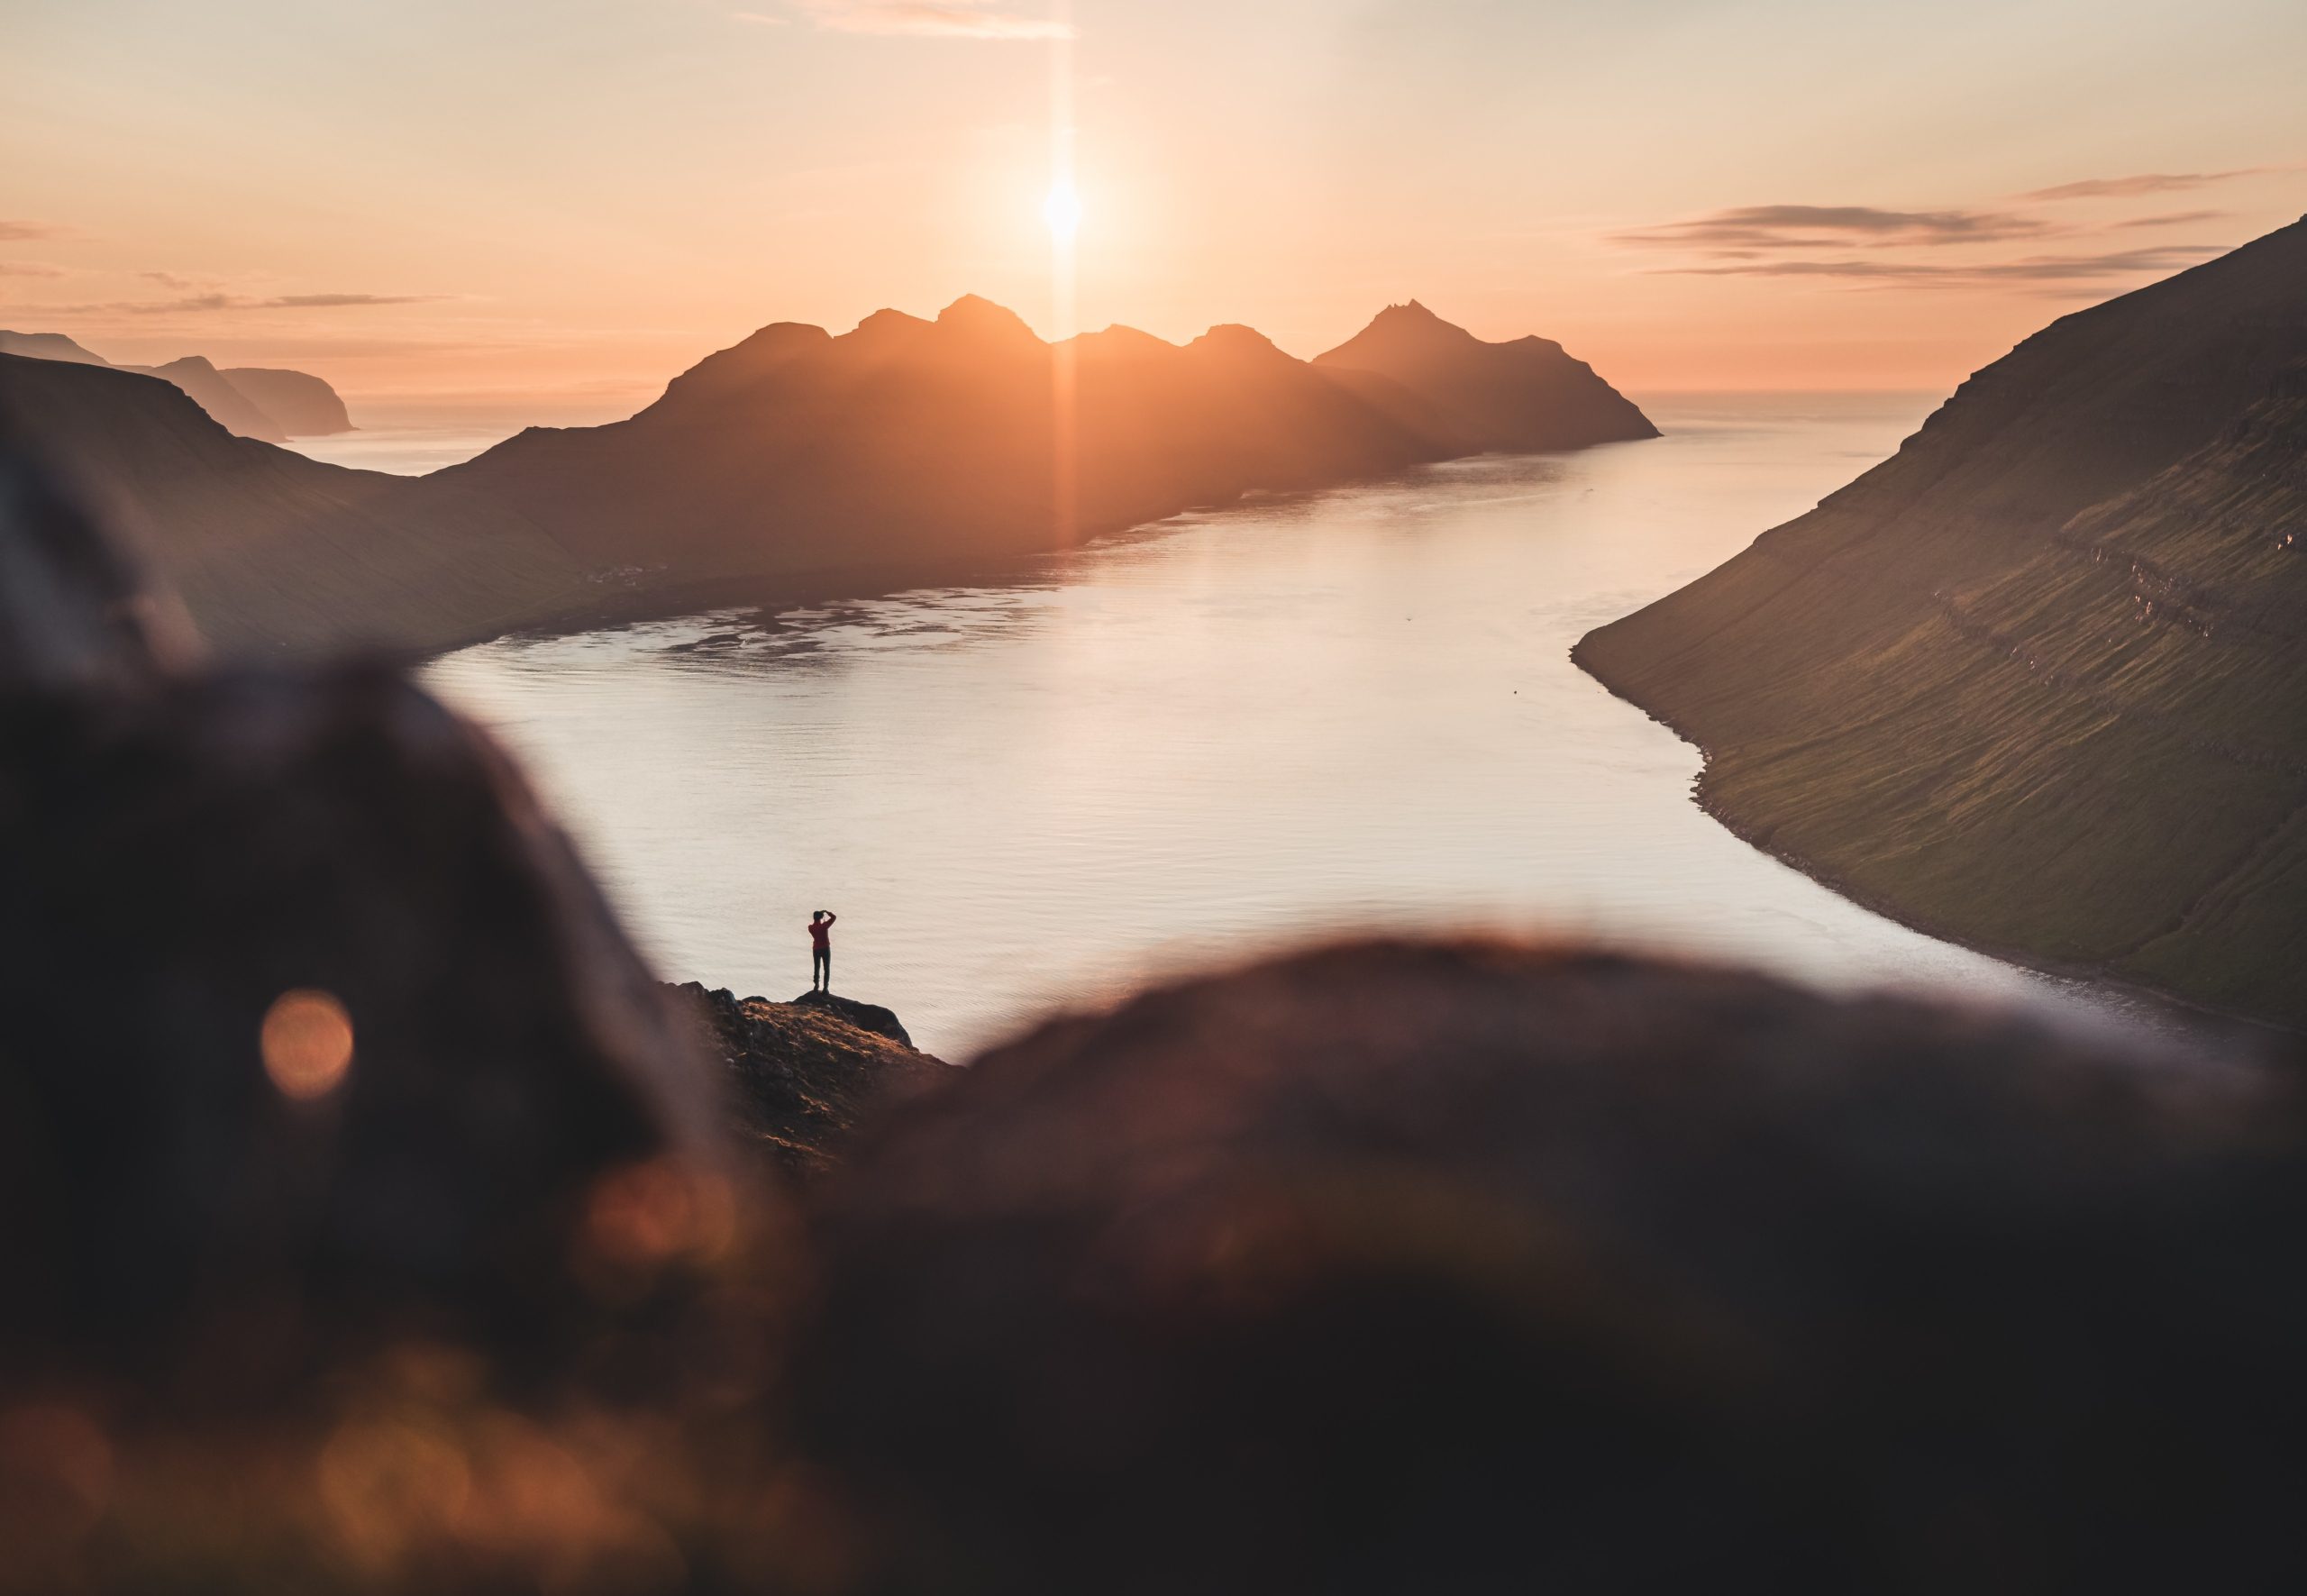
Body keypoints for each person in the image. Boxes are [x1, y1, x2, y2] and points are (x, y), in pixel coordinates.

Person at [808, 909, 836, 993]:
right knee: (826, 968)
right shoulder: (824, 926)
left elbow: (816, 926)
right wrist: (827, 912)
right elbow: (834, 917)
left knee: (817, 967)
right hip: (825, 948)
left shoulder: (810, 928)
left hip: (816, 949)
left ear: (813, 918)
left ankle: (816, 985)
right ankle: (825, 988)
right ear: (821, 917)